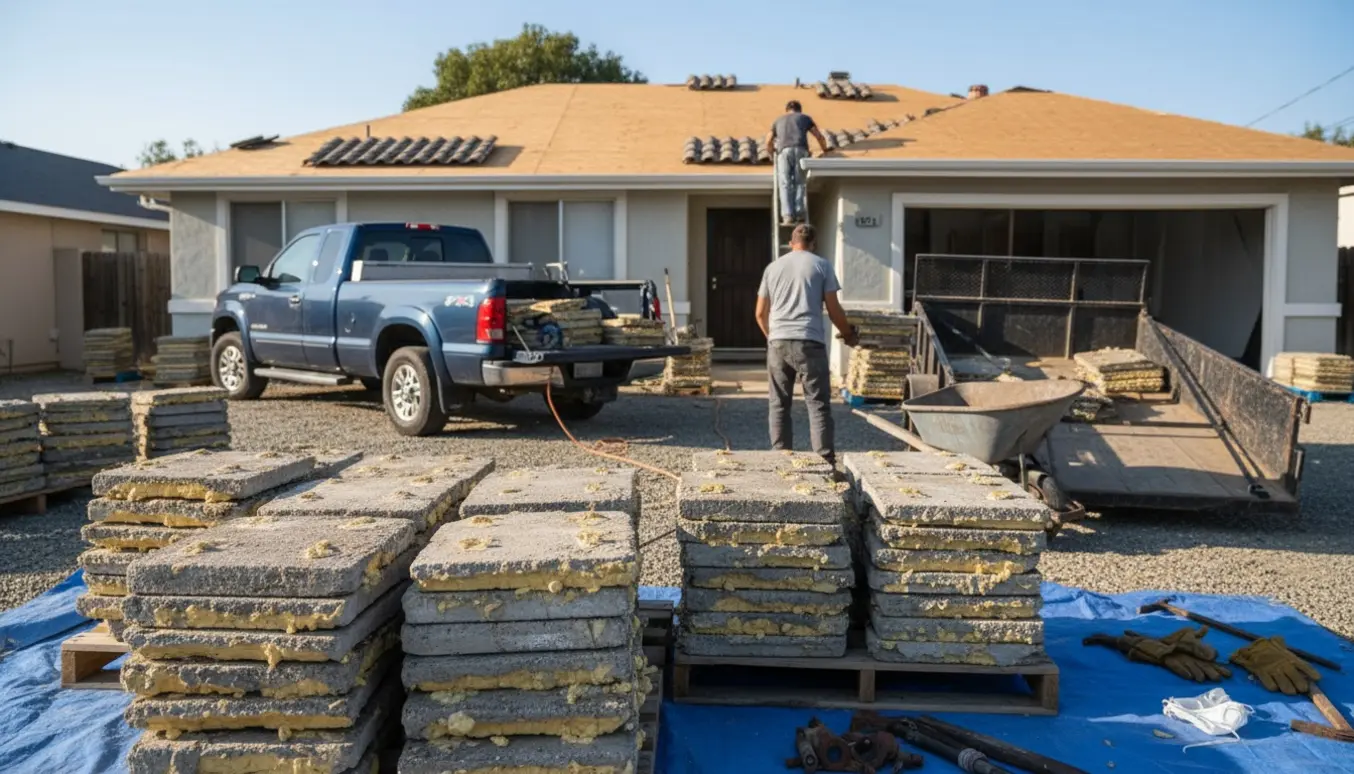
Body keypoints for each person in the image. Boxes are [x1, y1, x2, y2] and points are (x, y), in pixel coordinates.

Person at [755, 224, 858, 468]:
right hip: (809, 343)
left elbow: (760, 313)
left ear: (791, 243)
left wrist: (773, 337)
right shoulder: (821, 265)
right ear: (813, 244)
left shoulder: (772, 268)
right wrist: (849, 333)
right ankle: (826, 463)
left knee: (779, 403)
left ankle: (781, 460)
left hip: (778, 342)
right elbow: (834, 310)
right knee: (818, 404)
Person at [766, 101, 830, 225]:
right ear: (799, 109)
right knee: (800, 182)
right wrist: (825, 150)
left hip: (783, 152)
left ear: (787, 109)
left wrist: (770, 153)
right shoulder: (804, 118)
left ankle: (788, 215)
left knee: (785, 183)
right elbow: (819, 136)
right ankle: (800, 213)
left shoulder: (778, 120)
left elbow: (768, 140)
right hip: (801, 150)